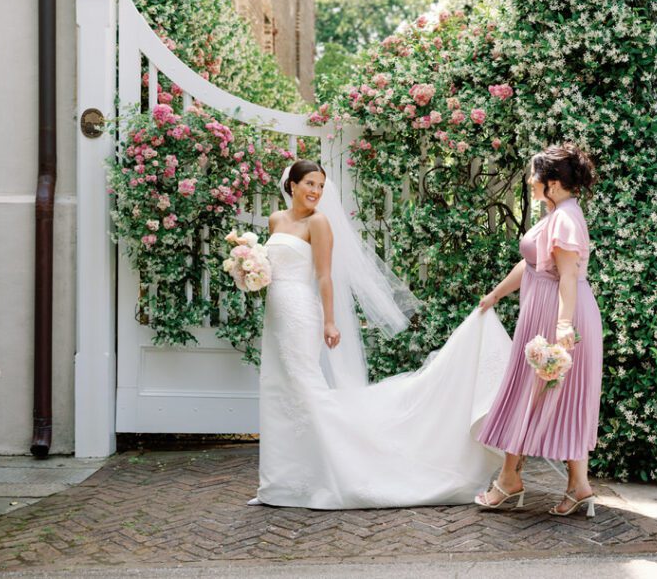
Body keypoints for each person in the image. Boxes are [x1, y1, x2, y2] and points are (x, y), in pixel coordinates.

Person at [250, 160, 509, 509]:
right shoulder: (276, 220)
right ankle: (281, 484)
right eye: (310, 183)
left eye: (321, 186)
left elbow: (324, 276)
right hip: (276, 313)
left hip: (301, 313)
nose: (316, 192)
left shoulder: (319, 222)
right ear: (292, 185)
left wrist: (329, 321)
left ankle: (343, 472)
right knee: (278, 388)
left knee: (307, 390)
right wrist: (249, 270)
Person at [475, 143, 603, 518]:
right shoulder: (559, 213)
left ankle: (509, 480)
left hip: (558, 317)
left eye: (535, 175)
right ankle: (579, 487)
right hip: (549, 312)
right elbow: (531, 266)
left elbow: (567, 277)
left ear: (554, 183)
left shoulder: (564, 219)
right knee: (557, 396)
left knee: (532, 396)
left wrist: (563, 326)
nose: (530, 181)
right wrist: (496, 294)